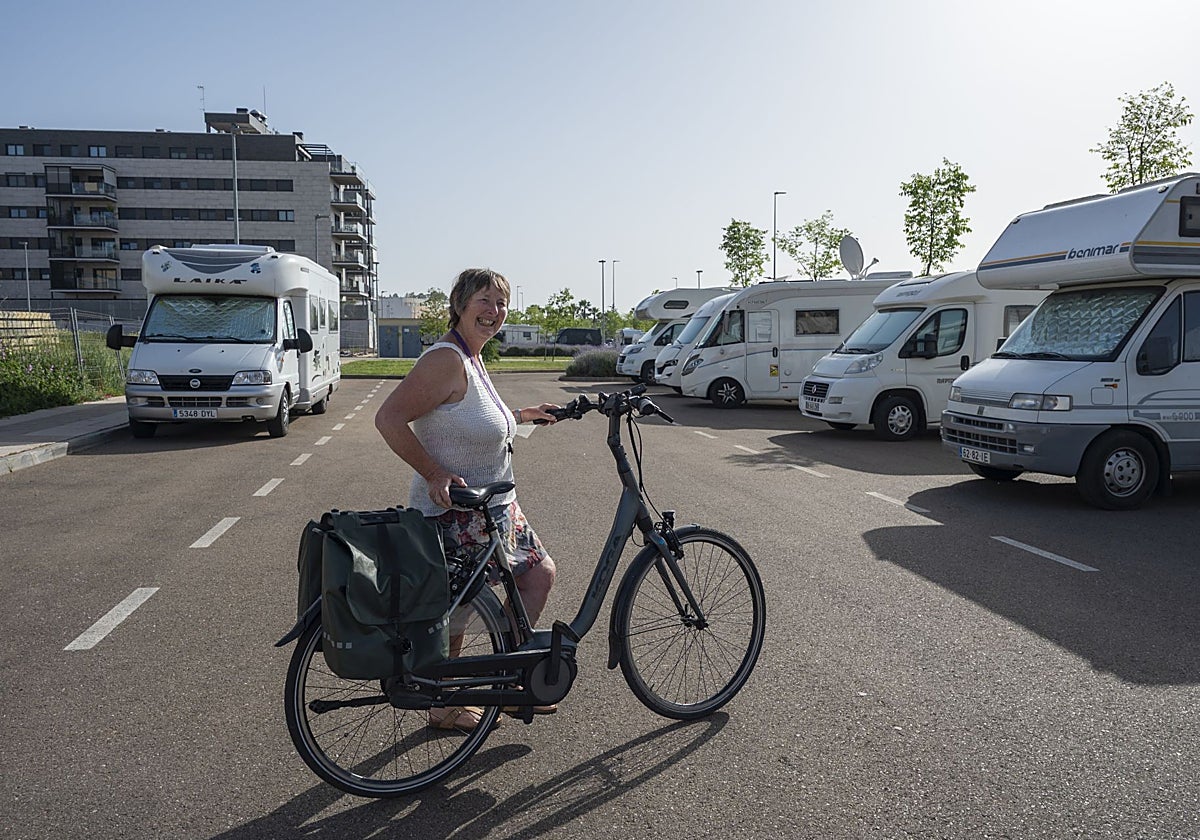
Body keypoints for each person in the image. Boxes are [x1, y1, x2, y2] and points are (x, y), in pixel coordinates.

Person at [374, 268, 560, 732]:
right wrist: (434, 473)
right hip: (456, 513)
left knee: (537, 575)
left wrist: (521, 416)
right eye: (484, 300)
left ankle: (515, 685)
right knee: (459, 608)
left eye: (501, 303)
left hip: (495, 510)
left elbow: (468, 421)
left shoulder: (471, 357)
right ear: (459, 303)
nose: (494, 312)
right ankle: (443, 702)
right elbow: (389, 418)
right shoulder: (445, 360)